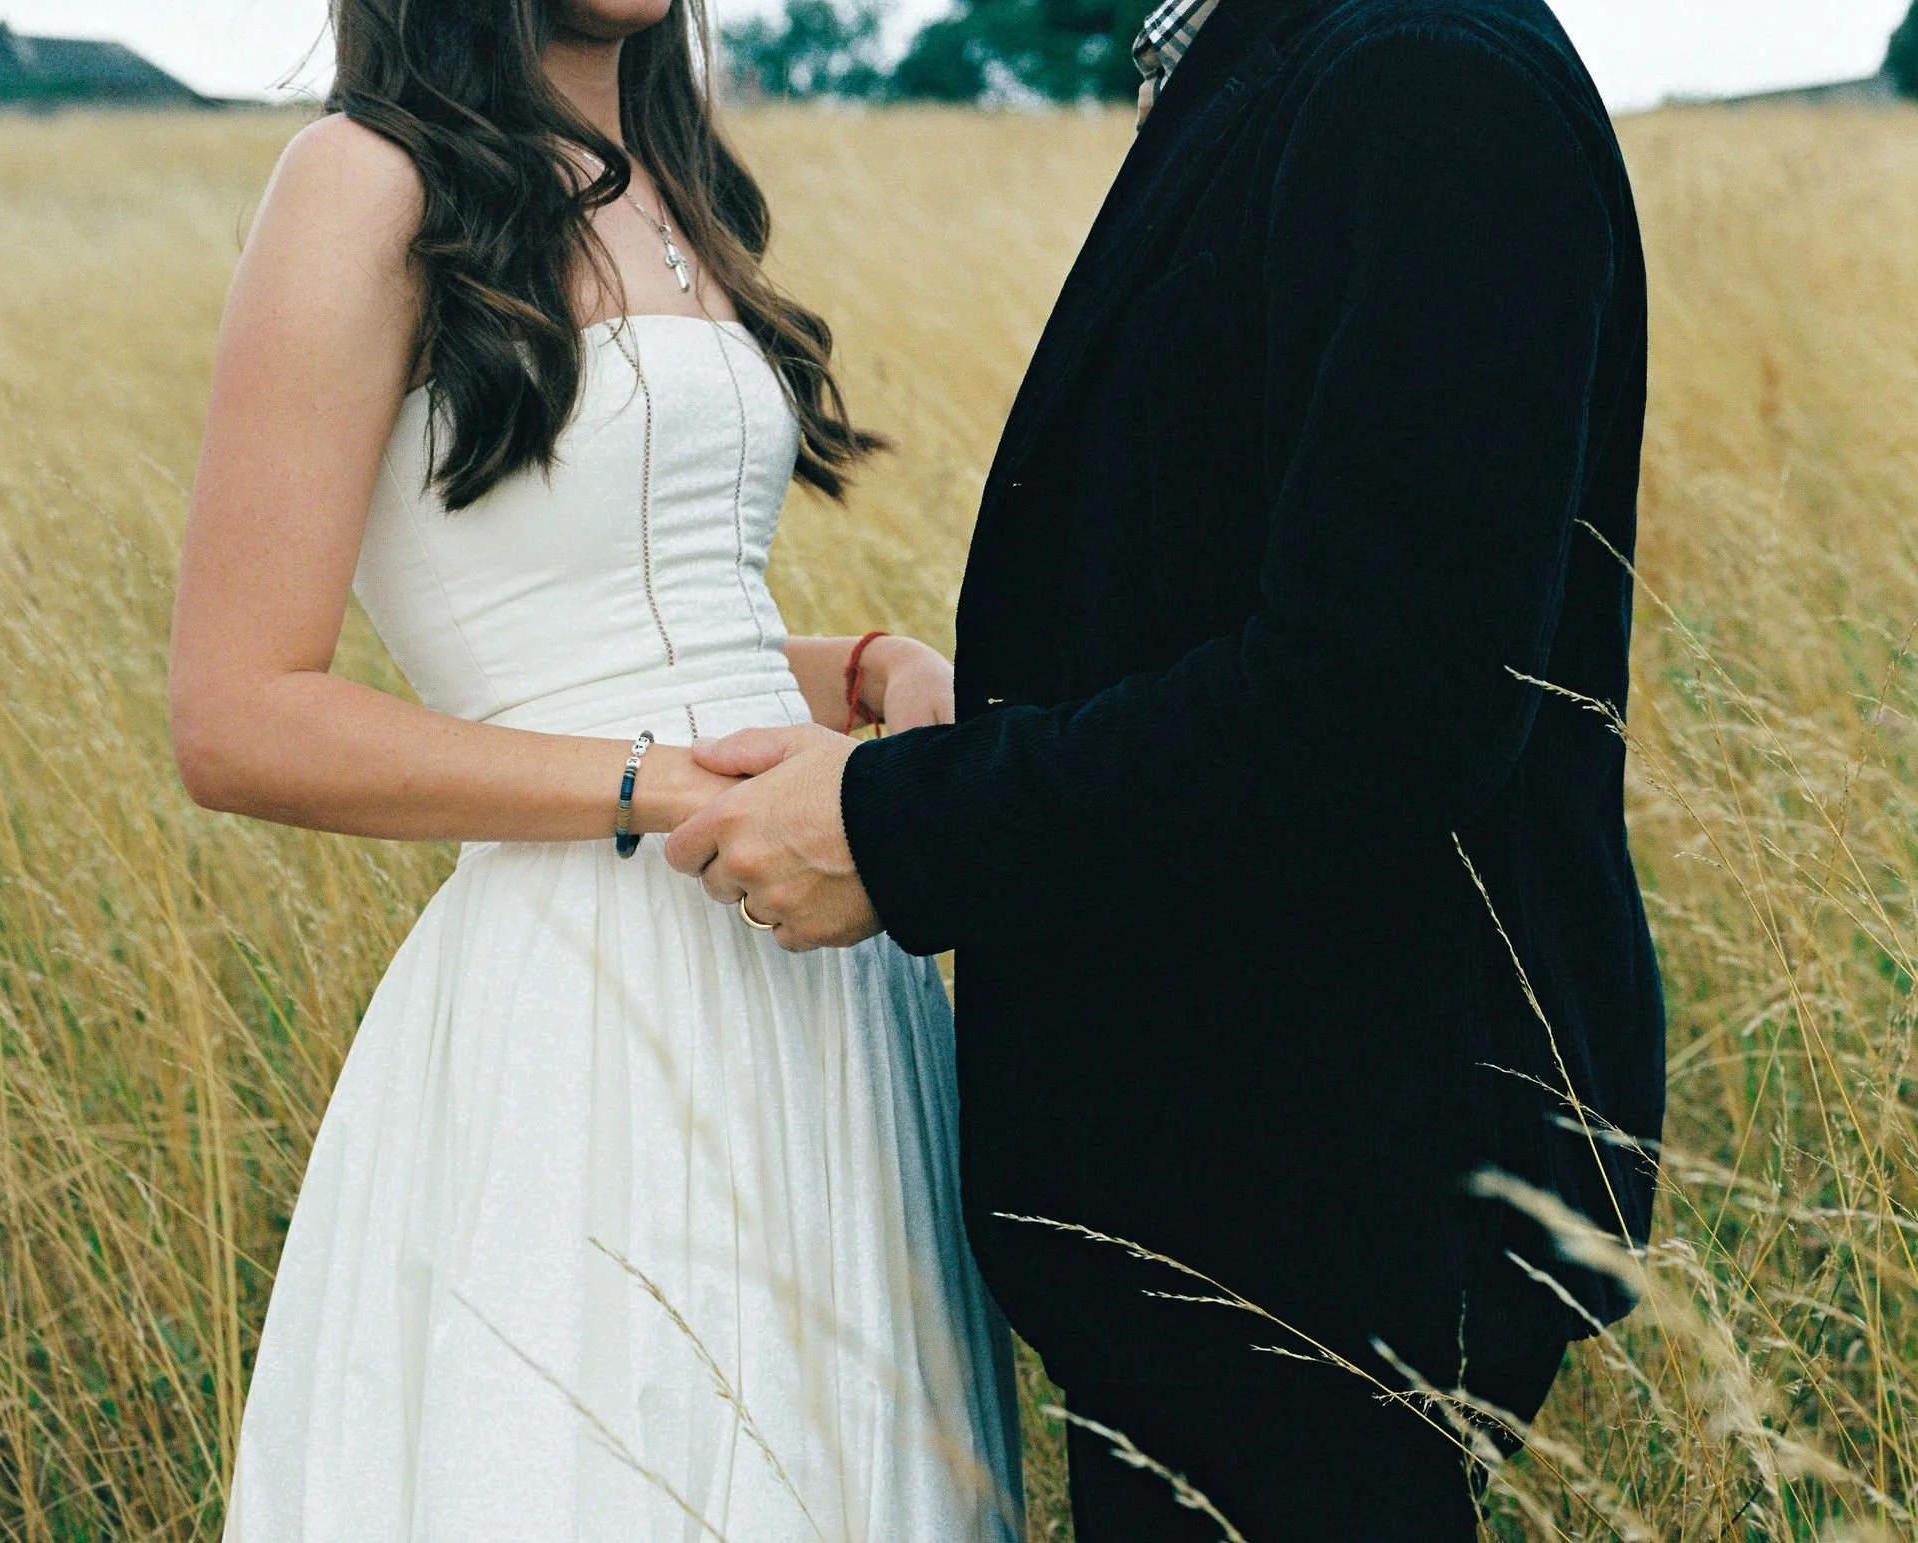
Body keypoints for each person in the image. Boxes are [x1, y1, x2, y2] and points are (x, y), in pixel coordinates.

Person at [666, 0, 1668, 1537]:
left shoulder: (1425, 79)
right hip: (1239, 1201)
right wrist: (971, 717)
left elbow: (1377, 701)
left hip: (1331, 1221)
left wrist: (898, 823)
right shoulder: (1289, 57)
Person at [167, 0, 1021, 1536]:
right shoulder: (365, 180)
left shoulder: (672, 177)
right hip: (595, 990)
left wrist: (879, 669)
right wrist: (671, 791)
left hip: (820, 968)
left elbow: (639, 613)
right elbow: (236, 712)